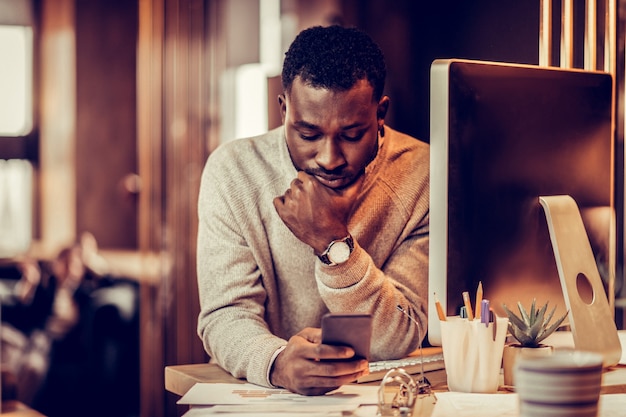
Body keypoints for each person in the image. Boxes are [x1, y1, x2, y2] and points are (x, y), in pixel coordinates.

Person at [196, 25, 429, 396]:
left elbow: (400, 333)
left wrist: (333, 242)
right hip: (254, 398)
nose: (329, 158)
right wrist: (276, 362)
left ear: (380, 113)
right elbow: (225, 315)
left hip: (372, 398)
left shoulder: (423, 174)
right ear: (284, 108)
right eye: (308, 134)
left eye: (352, 134)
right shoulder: (233, 171)